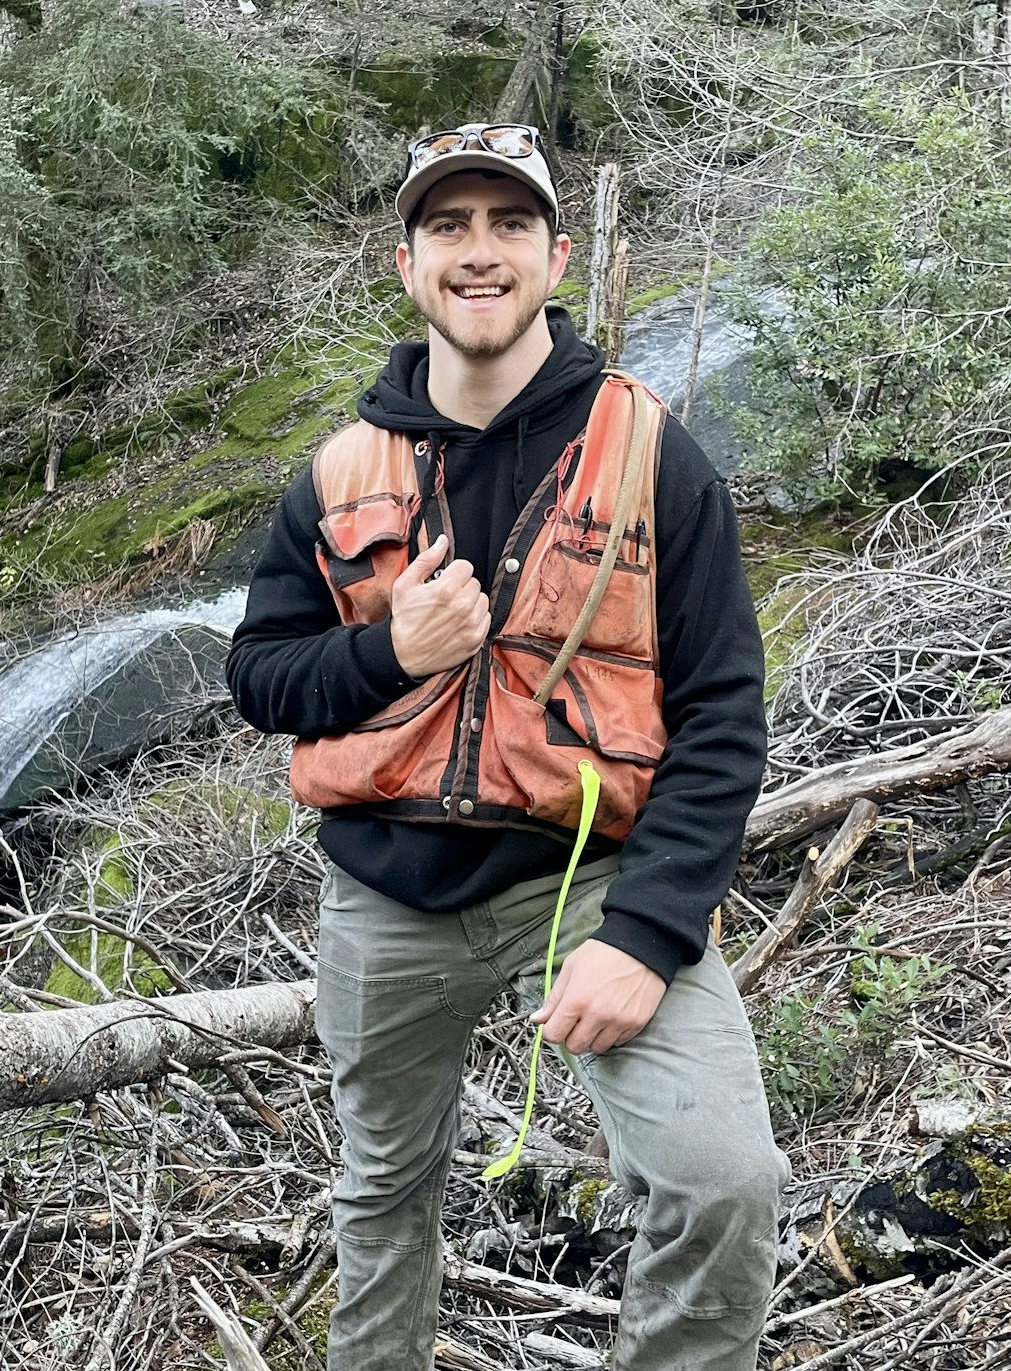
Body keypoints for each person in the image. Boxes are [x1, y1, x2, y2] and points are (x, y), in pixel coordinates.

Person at [226, 122, 786, 1371]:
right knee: (381, 1199)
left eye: (508, 225)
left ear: (555, 256)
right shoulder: (339, 470)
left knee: (721, 1184)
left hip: (588, 884)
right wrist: (390, 654)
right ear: (406, 262)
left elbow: (721, 713)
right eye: (448, 226)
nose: (478, 251)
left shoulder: (652, 456)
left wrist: (645, 933)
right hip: (383, 894)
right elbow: (258, 677)